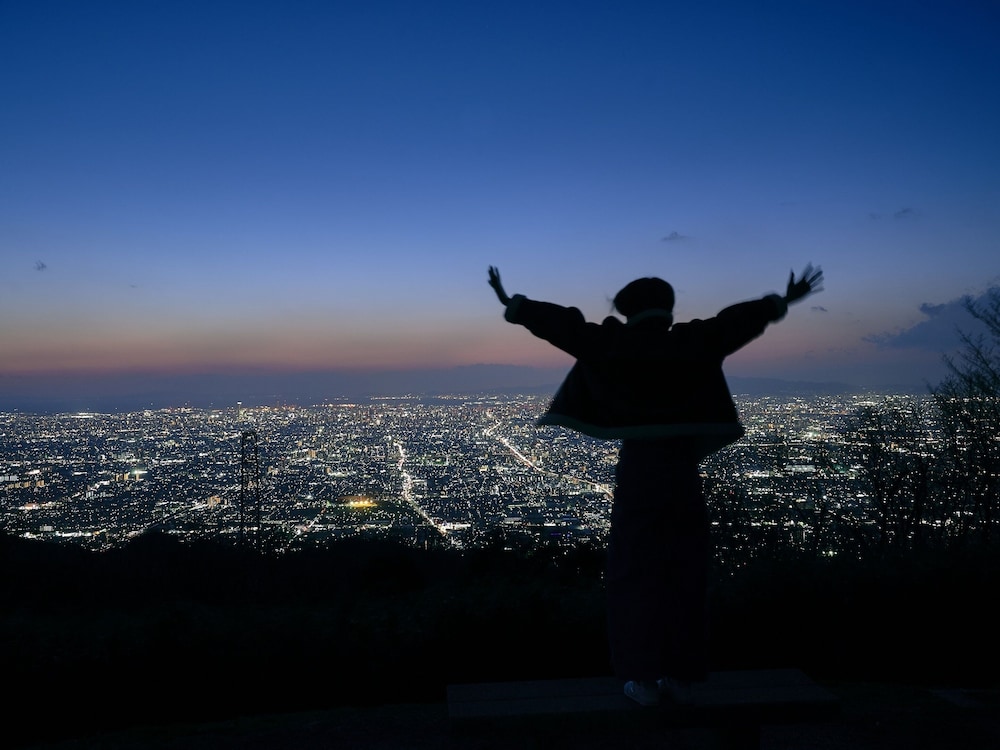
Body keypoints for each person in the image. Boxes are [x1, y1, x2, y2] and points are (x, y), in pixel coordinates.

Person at [487, 264, 823, 706]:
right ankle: (681, 676)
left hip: (640, 469)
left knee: (634, 571)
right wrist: (782, 301)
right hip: (683, 470)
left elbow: (563, 326)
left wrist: (512, 302)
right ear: (667, 309)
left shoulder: (614, 343)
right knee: (685, 570)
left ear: (628, 310)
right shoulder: (691, 342)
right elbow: (734, 322)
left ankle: (642, 679)